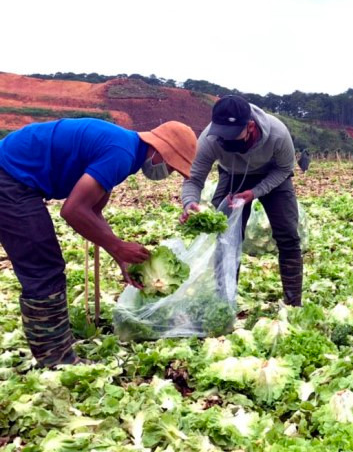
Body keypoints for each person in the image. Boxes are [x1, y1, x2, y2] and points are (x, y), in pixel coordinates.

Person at [0, 118, 196, 367]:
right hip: (9, 179)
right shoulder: (121, 153)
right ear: (159, 152)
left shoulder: (125, 149)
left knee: (45, 266)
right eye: (171, 167)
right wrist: (117, 245)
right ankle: (56, 358)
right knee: (43, 268)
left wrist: (120, 257)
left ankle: (57, 347)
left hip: (14, 176)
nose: (167, 173)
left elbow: (92, 212)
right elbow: (72, 211)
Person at [180, 95, 303, 307]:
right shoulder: (210, 140)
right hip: (233, 175)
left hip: (273, 175)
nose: (225, 141)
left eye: (232, 136)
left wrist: (255, 192)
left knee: (288, 236)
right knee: (226, 237)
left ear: (251, 127)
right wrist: (189, 203)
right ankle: (223, 304)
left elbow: (285, 169)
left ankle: (293, 304)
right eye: (222, 136)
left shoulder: (277, 134)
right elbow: (194, 178)